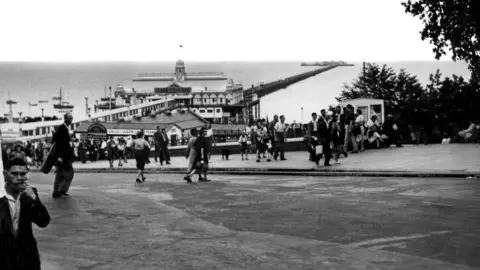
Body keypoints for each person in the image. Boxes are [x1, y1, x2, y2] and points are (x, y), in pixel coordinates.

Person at [0, 157, 51, 270]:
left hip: (27, 254)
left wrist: (34, 199)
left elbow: (43, 221)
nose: (19, 178)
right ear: (5, 174)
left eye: (23, 174)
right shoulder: (1, 196)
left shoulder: (30, 193)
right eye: (14, 174)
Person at [52, 112, 75, 199]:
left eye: (72, 119)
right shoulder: (62, 129)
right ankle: (62, 191)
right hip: (64, 157)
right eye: (70, 118)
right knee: (69, 174)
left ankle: (56, 192)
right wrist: (60, 156)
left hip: (61, 156)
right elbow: (60, 144)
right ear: (66, 119)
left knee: (60, 175)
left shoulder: (62, 128)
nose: (71, 120)